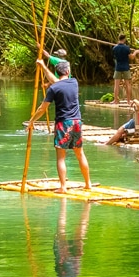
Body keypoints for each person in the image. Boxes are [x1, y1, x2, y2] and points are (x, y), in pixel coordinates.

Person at [35, 57, 91, 192]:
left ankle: (63, 187)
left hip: (63, 123)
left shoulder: (53, 89)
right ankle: (88, 183)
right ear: (68, 71)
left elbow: (42, 109)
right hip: (76, 122)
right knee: (80, 154)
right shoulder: (74, 82)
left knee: (61, 157)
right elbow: (56, 82)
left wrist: (32, 122)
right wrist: (43, 66)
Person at [112, 36, 133, 104]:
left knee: (116, 85)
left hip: (118, 67)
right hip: (126, 67)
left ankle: (115, 100)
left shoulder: (115, 48)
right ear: (124, 39)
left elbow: (114, 57)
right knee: (127, 84)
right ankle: (128, 101)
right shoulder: (127, 48)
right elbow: (131, 57)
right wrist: (136, 52)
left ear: (119, 39)